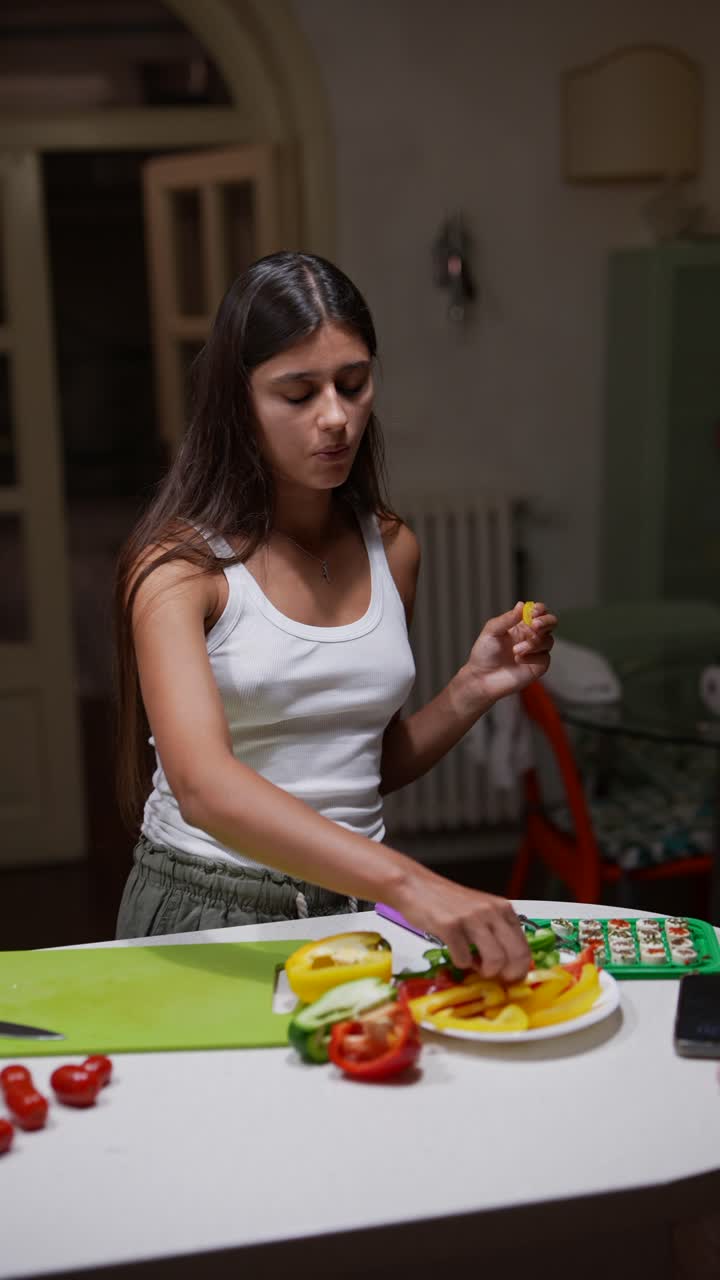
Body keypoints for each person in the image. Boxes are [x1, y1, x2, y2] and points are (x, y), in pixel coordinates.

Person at [113, 251, 556, 982]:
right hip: (209, 907)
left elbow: (358, 765)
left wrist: (473, 688)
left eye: (353, 385)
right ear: (237, 401)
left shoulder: (392, 547)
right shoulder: (179, 569)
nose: (336, 418)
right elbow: (204, 787)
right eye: (298, 393)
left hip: (350, 906)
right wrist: (414, 884)